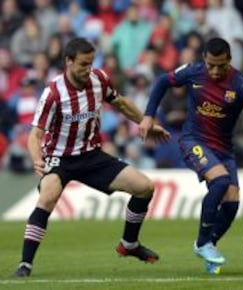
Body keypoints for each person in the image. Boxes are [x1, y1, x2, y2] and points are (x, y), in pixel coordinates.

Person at [14, 37, 170, 277]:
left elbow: (120, 104)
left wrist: (146, 122)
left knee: (145, 187)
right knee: (48, 197)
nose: (88, 69)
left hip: (92, 155)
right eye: (83, 64)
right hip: (59, 158)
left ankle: (129, 244)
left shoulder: (99, 79)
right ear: (68, 61)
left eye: (91, 63)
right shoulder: (53, 93)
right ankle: (25, 264)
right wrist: (37, 158)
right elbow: (35, 134)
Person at [137, 37, 243, 274]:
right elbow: (163, 81)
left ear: (229, 60)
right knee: (220, 181)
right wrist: (148, 115)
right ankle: (203, 242)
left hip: (223, 149)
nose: (215, 71)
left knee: (232, 203)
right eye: (210, 65)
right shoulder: (193, 71)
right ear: (204, 59)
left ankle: (209, 247)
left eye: (221, 66)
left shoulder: (241, 84)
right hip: (193, 140)